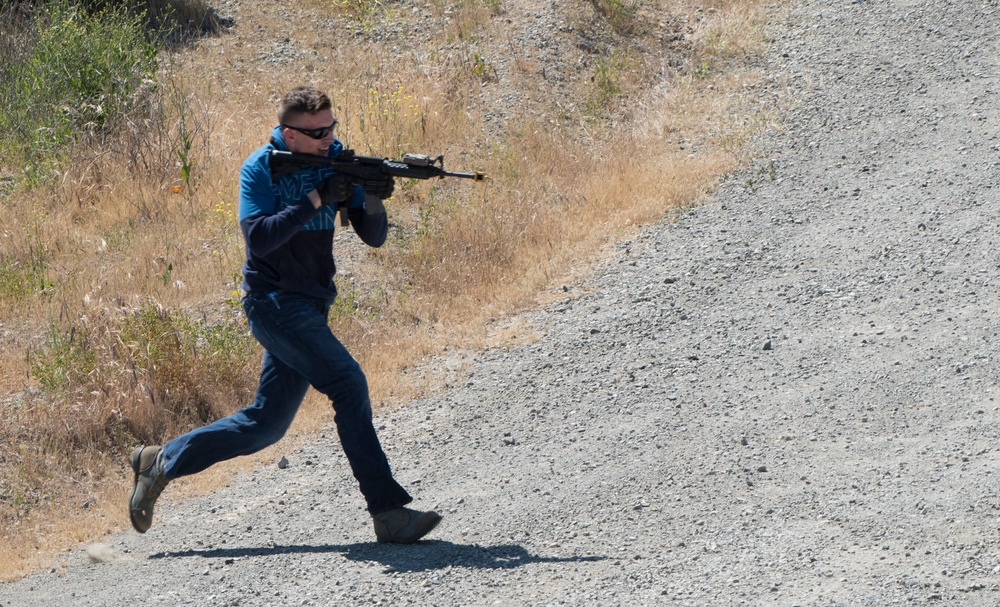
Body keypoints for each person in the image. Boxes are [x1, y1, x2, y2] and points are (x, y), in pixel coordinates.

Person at [128, 86, 441, 544]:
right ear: (290, 135)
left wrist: (372, 196)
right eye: (317, 133)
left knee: (266, 425)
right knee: (349, 384)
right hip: (273, 303)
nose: (328, 138)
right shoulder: (260, 169)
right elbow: (259, 238)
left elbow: (374, 237)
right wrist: (316, 198)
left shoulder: (337, 162)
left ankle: (161, 462)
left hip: (311, 303)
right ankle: (389, 513)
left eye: (332, 128)